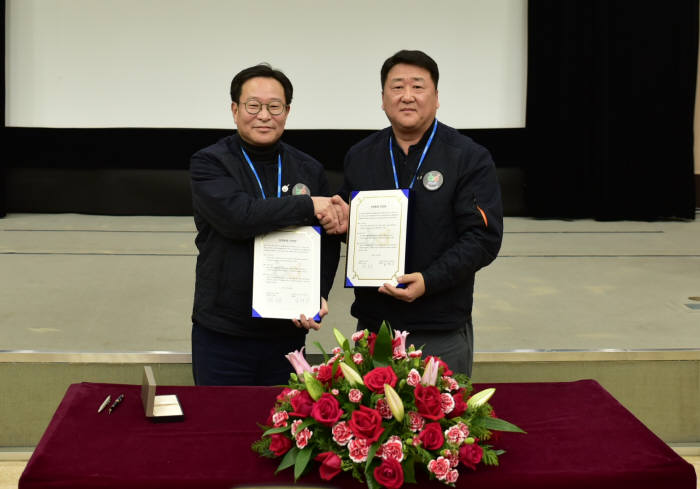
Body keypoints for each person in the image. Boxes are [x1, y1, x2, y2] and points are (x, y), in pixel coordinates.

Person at [329, 50, 503, 376]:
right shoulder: (361, 156)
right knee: (370, 424)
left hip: (440, 328)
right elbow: (357, 230)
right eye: (397, 87)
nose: (407, 96)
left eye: (418, 87)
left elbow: (482, 239)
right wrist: (341, 224)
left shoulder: (468, 157)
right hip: (373, 327)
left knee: (441, 424)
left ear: (436, 98)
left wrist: (429, 280)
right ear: (382, 99)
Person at [189, 63, 340, 386]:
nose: (264, 115)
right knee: (221, 426)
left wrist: (318, 291)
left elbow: (326, 239)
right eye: (253, 106)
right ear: (235, 109)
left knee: (285, 430)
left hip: (286, 332)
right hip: (222, 333)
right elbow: (238, 218)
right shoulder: (210, 163)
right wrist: (307, 204)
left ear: (287, 111)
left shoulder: (308, 169)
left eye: (274, 106)